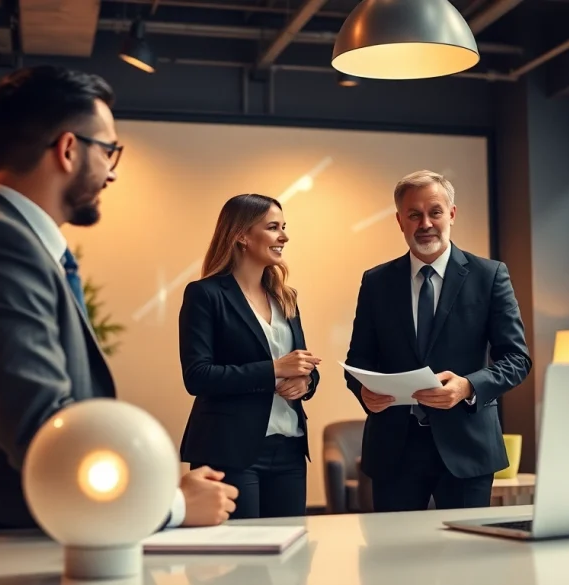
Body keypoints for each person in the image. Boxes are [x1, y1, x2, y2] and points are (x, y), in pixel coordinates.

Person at [0, 65, 237, 532]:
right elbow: (45, 433)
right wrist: (171, 506)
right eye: (110, 151)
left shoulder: (7, 240)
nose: (112, 174)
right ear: (69, 148)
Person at [344, 170, 531, 512]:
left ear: (452, 214)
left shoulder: (489, 276)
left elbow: (517, 359)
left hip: (467, 446)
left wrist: (468, 387)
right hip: (393, 450)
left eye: (435, 212)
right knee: (393, 559)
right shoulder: (376, 283)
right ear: (400, 221)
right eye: (414, 215)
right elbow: (358, 361)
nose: (425, 223)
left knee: (468, 558)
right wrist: (363, 392)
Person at [177, 194, 321, 519]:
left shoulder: (286, 297)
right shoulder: (205, 294)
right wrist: (273, 370)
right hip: (229, 450)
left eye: (284, 228)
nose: (284, 236)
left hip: (290, 449)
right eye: (273, 227)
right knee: (239, 563)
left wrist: (305, 381)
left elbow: (300, 364)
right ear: (242, 234)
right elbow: (197, 375)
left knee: (289, 562)